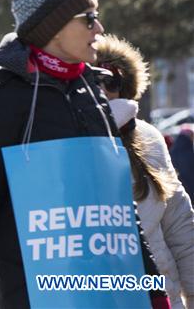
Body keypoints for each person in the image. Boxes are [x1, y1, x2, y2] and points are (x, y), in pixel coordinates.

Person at [0, 0, 169, 309]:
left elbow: (117, 205)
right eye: (89, 19)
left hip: (105, 289)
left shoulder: (90, 90)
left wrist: (153, 288)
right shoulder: (1, 95)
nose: (99, 28)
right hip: (34, 291)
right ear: (54, 28)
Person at [96, 34, 194, 308]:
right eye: (93, 79)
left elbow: (179, 223)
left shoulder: (148, 137)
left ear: (125, 88)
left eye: (111, 80)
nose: (102, 88)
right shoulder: (65, 139)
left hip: (162, 295)